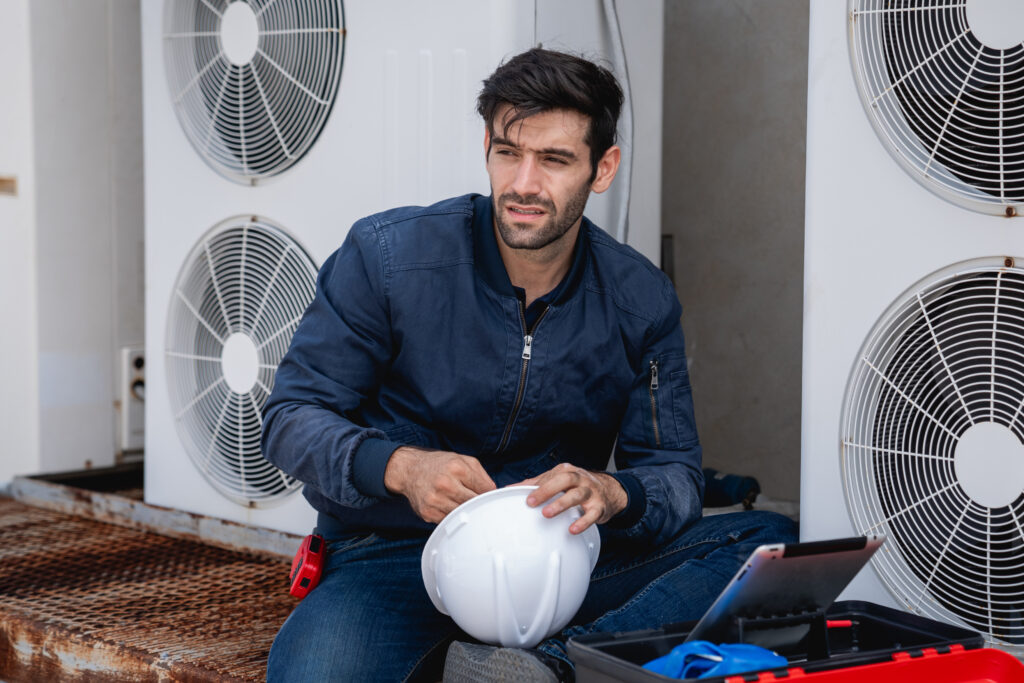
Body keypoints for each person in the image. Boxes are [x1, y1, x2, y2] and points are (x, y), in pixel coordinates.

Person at [261, 47, 796, 682]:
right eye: (509, 152)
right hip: (395, 555)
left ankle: (542, 666)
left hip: (560, 561)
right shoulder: (386, 257)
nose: (523, 184)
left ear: (603, 169)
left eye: (555, 160)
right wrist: (402, 468)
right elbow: (290, 417)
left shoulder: (641, 300)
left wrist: (611, 491)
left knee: (770, 544)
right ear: (487, 145)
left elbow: (674, 474)